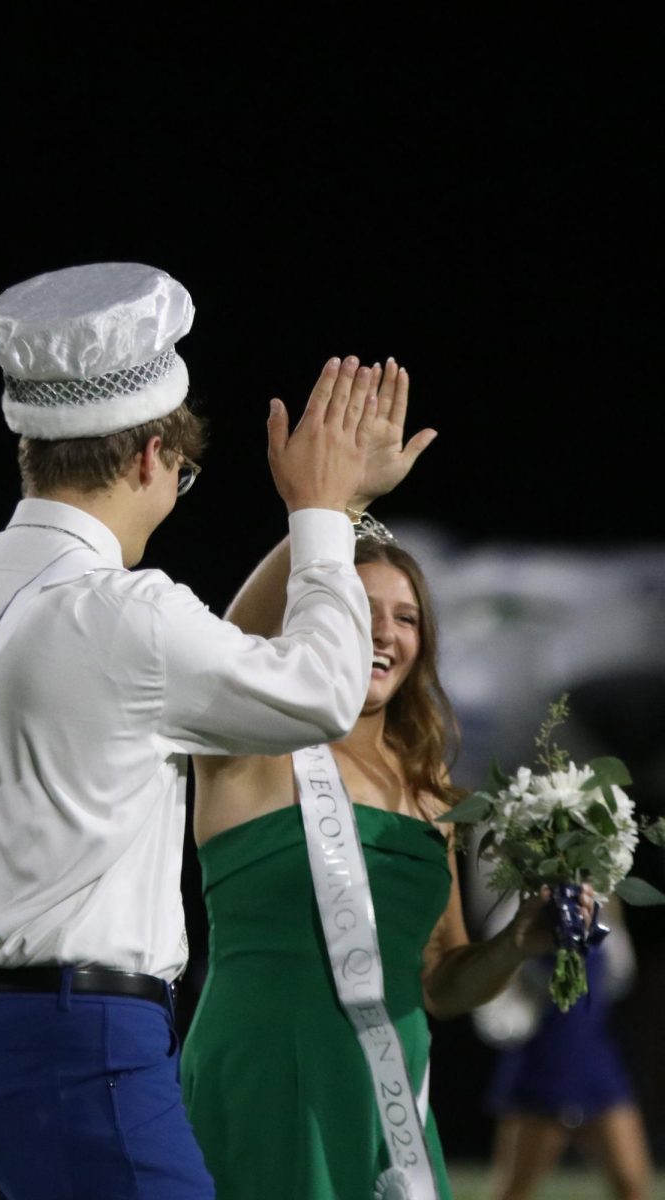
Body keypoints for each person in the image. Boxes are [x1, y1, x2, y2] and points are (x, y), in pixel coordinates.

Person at [0, 260, 383, 1200]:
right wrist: (322, 512)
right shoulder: (126, 613)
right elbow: (325, 691)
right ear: (153, 454)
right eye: (185, 474)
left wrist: (340, 511)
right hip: (81, 1044)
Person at [181, 359, 597, 1200]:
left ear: (425, 644)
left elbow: (443, 982)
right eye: (361, 611)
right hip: (263, 1075)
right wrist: (338, 506)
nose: (384, 634)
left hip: (387, 1094)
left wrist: (517, 942)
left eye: (405, 618)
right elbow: (232, 634)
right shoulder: (252, 747)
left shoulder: (430, 787)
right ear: (318, 618)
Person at [474, 894, 654, 1200]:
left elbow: (618, 977)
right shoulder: (518, 908)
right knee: (514, 1191)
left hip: (594, 1057)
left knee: (632, 1185)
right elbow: (495, 976)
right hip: (544, 1059)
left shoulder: (602, 907)